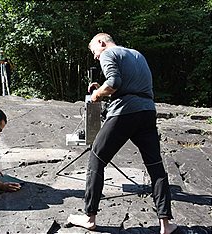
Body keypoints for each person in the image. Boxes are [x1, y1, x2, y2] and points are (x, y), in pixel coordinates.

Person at [67, 33, 178, 234]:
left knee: (96, 158)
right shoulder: (137, 55)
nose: (95, 57)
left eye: (94, 51)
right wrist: (102, 88)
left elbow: (114, 82)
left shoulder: (108, 53)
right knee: (155, 167)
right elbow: (131, 85)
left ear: (102, 42)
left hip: (125, 112)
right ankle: (166, 223)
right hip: (147, 112)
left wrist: (96, 94)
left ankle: (89, 217)